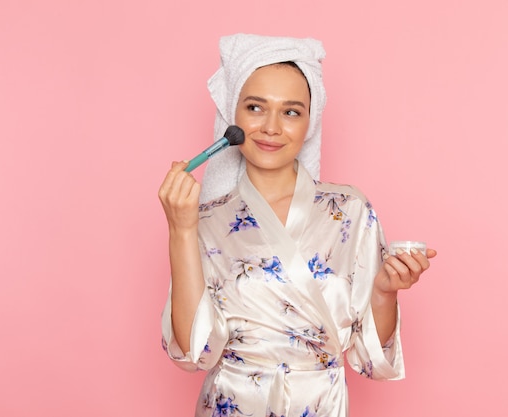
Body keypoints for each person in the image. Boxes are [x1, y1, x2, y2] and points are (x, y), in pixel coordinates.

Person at [158, 33, 436, 417]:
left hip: (320, 405)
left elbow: (371, 359)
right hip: (231, 404)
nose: (271, 127)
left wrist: (385, 292)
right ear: (232, 115)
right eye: (256, 107)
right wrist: (181, 229)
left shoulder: (350, 210)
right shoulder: (205, 219)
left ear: (310, 121)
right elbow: (193, 352)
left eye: (291, 112)